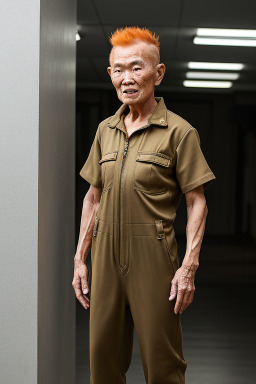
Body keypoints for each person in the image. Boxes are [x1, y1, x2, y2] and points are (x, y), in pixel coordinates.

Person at [72, 26, 216, 384]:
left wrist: (189, 266)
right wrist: (80, 259)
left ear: (158, 73)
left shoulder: (179, 132)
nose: (127, 78)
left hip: (153, 256)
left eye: (137, 67)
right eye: (118, 69)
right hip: (104, 255)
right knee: (102, 362)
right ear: (110, 74)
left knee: (162, 364)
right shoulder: (105, 130)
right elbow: (93, 196)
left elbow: (197, 201)